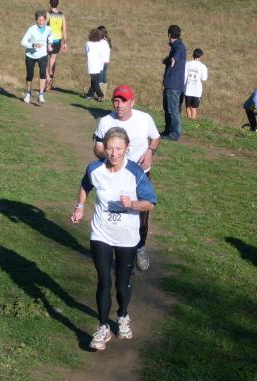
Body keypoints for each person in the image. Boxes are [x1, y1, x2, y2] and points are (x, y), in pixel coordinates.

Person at [71, 127, 157, 351]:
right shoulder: (95, 169)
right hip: (101, 233)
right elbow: (84, 185)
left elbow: (150, 202)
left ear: (127, 148)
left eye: (118, 148)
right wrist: (80, 207)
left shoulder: (135, 173)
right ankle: (102, 327)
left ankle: (122, 315)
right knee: (104, 281)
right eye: (109, 148)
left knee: (121, 283)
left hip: (127, 236)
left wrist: (132, 204)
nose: (114, 153)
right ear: (104, 148)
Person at [93, 85, 160, 271]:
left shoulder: (144, 119)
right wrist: (110, 158)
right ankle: (119, 254)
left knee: (141, 217)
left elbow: (155, 137)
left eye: (123, 101)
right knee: (116, 214)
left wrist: (150, 151)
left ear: (132, 102)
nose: (119, 105)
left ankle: (139, 247)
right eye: (116, 100)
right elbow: (98, 147)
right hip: (113, 175)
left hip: (140, 176)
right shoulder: (105, 121)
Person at [21, 9, 53, 104]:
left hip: (42, 54)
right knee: (30, 75)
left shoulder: (48, 29)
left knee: (43, 73)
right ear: (36, 20)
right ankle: (28, 93)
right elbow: (23, 42)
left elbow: (51, 35)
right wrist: (32, 45)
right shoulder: (32, 29)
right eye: (39, 20)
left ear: (45, 20)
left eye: (43, 20)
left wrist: (49, 44)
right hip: (30, 55)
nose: (41, 22)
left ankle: (41, 94)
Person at [161, 24, 187, 140]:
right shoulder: (178, 46)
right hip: (172, 84)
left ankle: (175, 134)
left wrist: (166, 60)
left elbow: (172, 61)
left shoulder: (178, 46)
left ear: (169, 35)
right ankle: (168, 131)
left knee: (173, 110)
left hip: (173, 85)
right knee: (168, 109)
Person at [45, 0, 67, 91]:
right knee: (53, 60)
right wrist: (65, 42)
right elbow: (64, 30)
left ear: (50, 4)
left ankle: (47, 78)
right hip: (58, 40)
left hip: (48, 40)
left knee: (45, 59)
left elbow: (44, 25)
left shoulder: (48, 14)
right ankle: (50, 81)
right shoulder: (62, 15)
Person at [183, 48, 208, 120]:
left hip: (187, 89)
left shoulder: (187, 64)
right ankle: (193, 122)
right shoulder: (203, 66)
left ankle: (189, 120)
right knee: (194, 108)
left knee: (187, 106)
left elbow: (184, 76)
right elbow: (204, 78)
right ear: (200, 57)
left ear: (193, 55)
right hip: (197, 91)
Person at [85, 28, 104, 101]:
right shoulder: (100, 44)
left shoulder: (88, 44)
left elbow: (86, 52)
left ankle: (97, 95)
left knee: (94, 82)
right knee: (95, 81)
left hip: (91, 64)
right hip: (98, 64)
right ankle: (93, 95)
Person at [97, 25, 112, 98]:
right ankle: (103, 95)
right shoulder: (107, 40)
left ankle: (100, 96)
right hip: (106, 62)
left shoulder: (101, 41)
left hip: (101, 62)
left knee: (99, 79)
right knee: (103, 78)